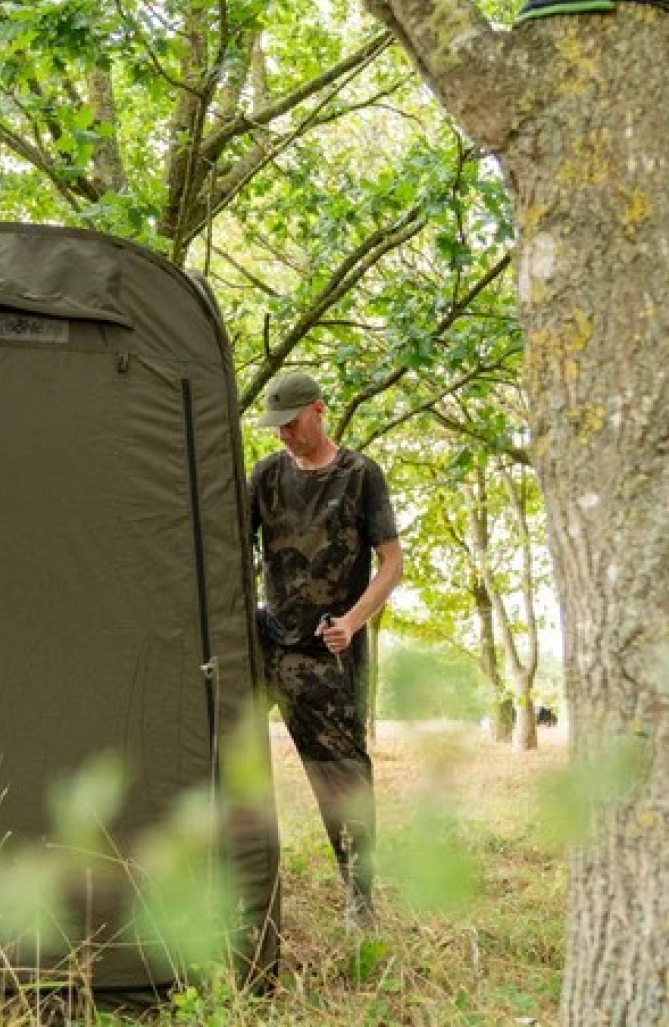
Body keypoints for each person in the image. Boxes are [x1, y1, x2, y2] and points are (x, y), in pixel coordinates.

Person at [249, 371, 403, 930]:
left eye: (291, 424)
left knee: (342, 781)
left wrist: (354, 622)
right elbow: (227, 555)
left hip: (327, 657)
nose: (283, 435)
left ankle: (359, 901)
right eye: (276, 428)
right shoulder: (264, 476)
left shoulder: (360, 475)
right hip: (265, 647)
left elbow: (392, 564)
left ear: (318, 410)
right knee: (218, 754)